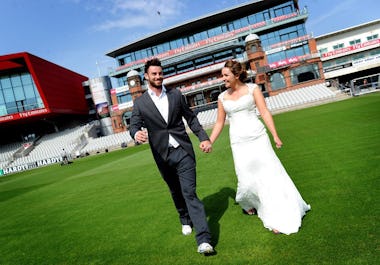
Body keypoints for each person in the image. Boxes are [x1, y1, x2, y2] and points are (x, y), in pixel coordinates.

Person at [208, 60, 310, 235]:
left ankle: (277, 213)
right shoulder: (221, 97)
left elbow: (264, 112)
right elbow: (219, 122)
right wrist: (210, 141)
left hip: (258, 137)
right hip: (238, 142)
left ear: (236, 75)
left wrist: (275, 135)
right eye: (222, 75)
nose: (222, 78)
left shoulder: (253, 89)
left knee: (269, 174)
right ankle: (250, 203)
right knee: (246, 176)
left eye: (225, 75)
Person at [129, 58, 214, 254]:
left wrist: (203, 137)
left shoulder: (176, 95)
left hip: (183, 151)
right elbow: (133, 125)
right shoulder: (140, 103)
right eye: (154, 74)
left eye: (160, 73)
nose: (158, 76)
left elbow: (191, 118)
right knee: (175, 191)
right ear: (146, 77)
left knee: (189, 193)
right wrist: (136, 134)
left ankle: (203, 240)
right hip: (162, 155)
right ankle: (184, 218)